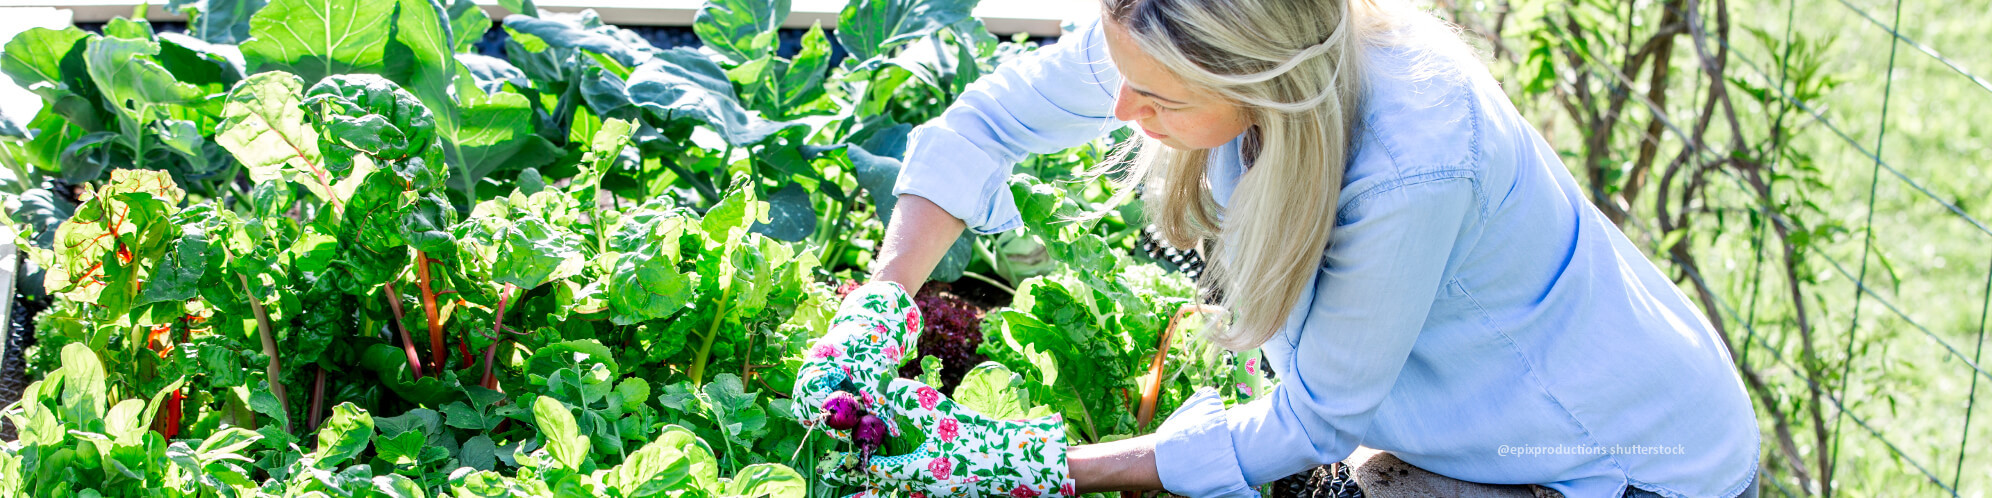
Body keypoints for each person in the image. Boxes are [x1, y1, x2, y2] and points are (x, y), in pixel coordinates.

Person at [792, 0, 1762, 496]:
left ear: (1263, 82)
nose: (1122, 114)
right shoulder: (1166, 24)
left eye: (1157, 103)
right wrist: (884, 296)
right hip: (1477, 420)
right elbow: (987, 128)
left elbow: (1313, 422)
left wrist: (1052, 462)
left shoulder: (1409, 161)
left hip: (1617, 459)